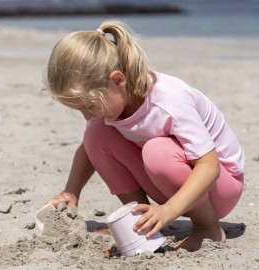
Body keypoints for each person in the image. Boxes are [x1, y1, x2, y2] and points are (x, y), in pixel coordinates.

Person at [45, 20, 245, 251]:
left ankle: (207, 228)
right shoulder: (110, 103)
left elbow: (209, 166)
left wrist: (169, 210)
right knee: (95, 134)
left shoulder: (168, 101)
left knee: (157, 151)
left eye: (89, 106)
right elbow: (88, 151)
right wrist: (71, 191)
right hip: (174, 182)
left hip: (220, 188)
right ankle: (142, 222)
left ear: (118, 80)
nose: (86, 116)